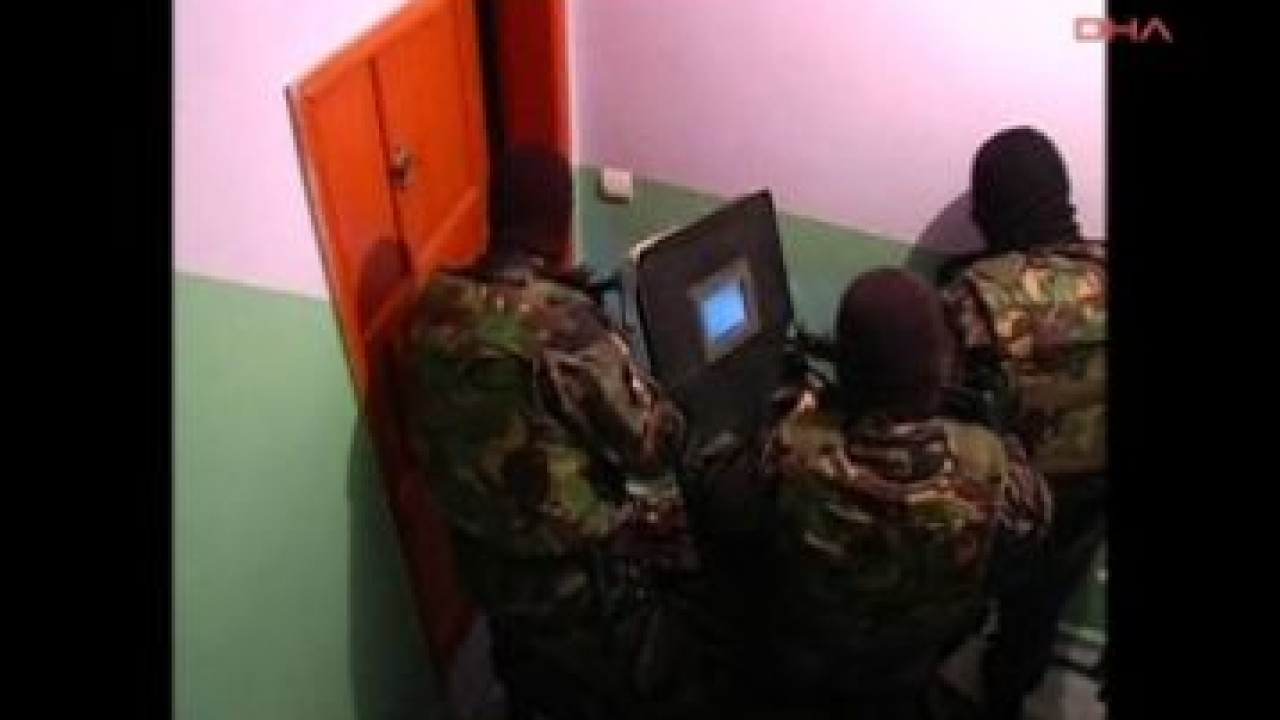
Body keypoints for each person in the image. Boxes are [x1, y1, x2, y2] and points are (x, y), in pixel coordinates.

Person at [400, 145, 710, 720]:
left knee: (530, 676)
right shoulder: (565, 327)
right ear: (561, 222)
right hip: (571, 581)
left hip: (480, 565)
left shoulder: (433, 307)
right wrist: (650, 384)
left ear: (495, 214)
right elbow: (651, 449)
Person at [708, 268, 1051, 720]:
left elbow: (719, 503)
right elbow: (1028, 540)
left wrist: (793, 414)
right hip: (915, 659)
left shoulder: (789, 455)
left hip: (810, 658)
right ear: (941, 369)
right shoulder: (993, 472)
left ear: (845, 369)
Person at [937, 126, 1107, 720]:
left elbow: (936, 424)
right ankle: (1007, 687)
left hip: (999, 514)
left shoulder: (972, 298)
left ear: (994, 207)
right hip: (1087, 510)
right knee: (1035, 620)